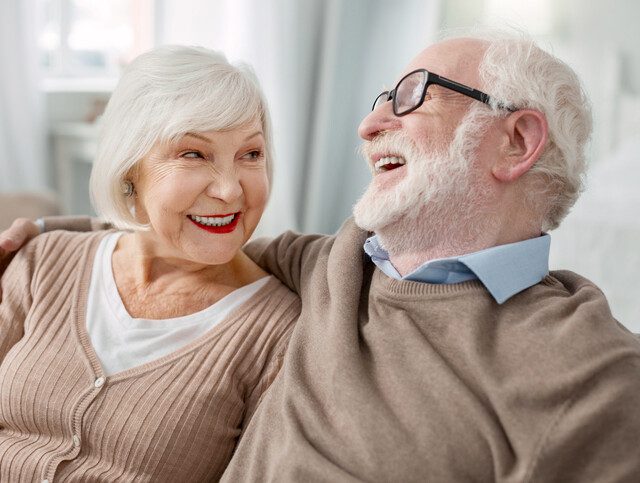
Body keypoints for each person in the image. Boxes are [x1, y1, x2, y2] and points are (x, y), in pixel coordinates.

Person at [3, 30, 640, 481]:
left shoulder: (593, 373)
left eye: (412, 94)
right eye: (377, 102)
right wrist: (39, 236)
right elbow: (177, 237)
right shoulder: (334, 264)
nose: (368, 127)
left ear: (517, 140)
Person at [0, 45, 301, 482]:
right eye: (194, 154)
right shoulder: (43, 260)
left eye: (250, 155)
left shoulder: (278, 332)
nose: (231, 191)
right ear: (129, 171)